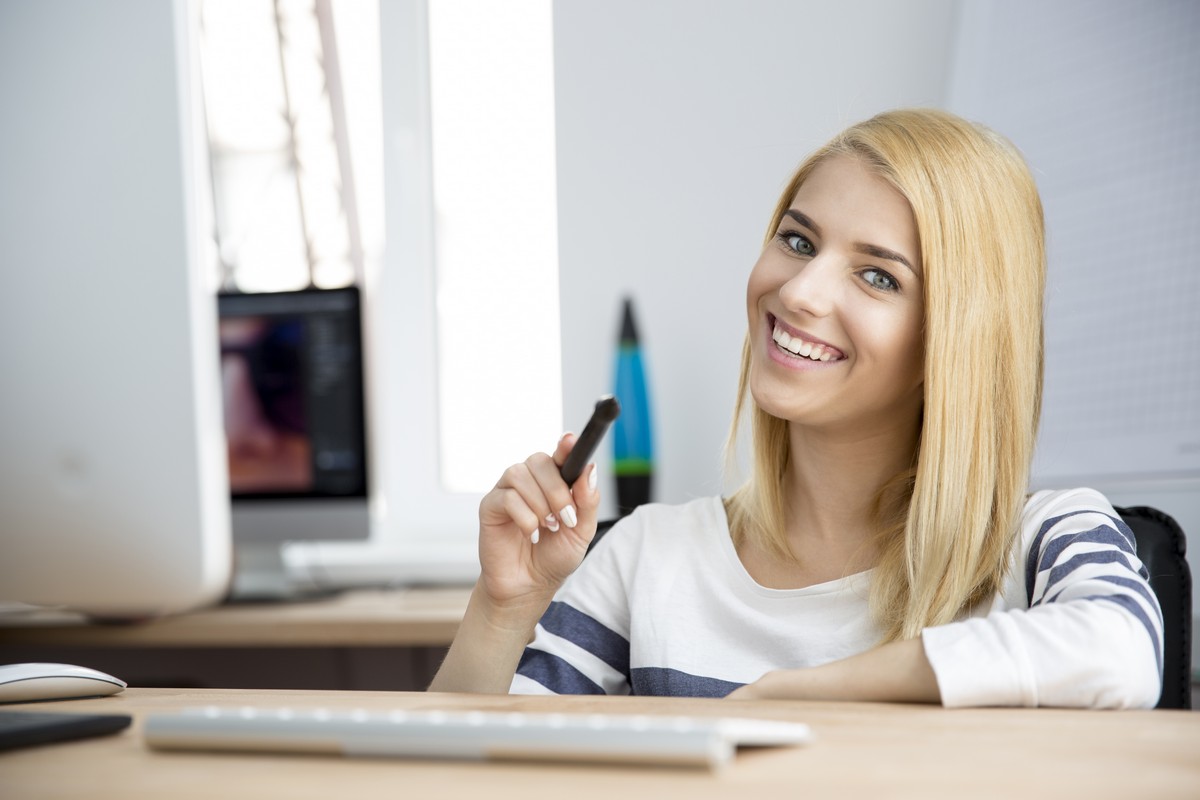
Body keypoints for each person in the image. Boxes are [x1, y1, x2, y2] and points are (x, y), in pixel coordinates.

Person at [429, 108, 1163, 708]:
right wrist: (504, 608)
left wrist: (804, 695)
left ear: (958, 338)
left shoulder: (1043, 541)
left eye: (877, 276)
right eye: (797, 240)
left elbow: (1122, 654)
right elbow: (470, 780)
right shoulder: (646, 558)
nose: (801, 291)